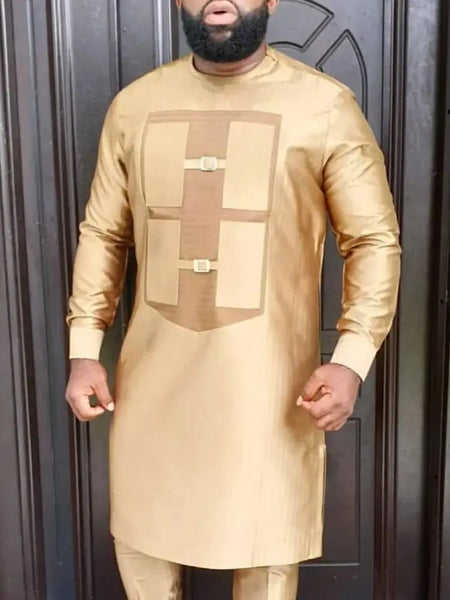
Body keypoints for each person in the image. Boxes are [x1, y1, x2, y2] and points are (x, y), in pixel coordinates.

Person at [65, 1, 401, 598]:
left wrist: (351, 361)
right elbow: (104, 233)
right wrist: (84, 349)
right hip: (152, 385)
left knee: (267, 546)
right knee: (142, 538)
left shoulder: (324, 106)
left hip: (272, 389)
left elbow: (373, 239)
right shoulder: (135, 106)